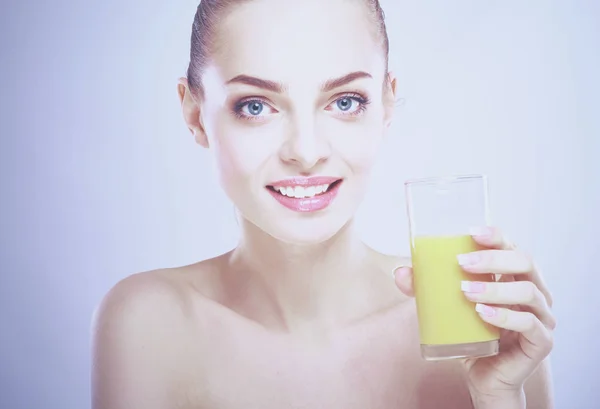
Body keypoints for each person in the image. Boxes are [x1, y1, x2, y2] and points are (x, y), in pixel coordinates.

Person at [91, 0, 556, 408]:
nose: (307, 151)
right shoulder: (150, 326)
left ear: (387, 105)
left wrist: (499, 399)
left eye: (346, 101)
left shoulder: (479, 329)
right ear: (195, 114)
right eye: (256, 106)